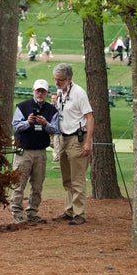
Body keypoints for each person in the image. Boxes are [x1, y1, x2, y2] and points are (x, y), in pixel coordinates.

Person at [10, 79, 59, 224]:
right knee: (19, 184)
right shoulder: (23, 106)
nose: (40, 93)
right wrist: (28, 122)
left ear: (47, 93)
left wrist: (45, 124)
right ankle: (16, 213)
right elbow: (16, 126)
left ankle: (32, 212)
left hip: (41, 152)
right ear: (33, 91)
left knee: (37, 185)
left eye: (43, 91)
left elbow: (55, 129)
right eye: (38, 90)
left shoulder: (51, 110)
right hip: (23, 151)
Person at [51, 63, 94, 226]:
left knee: (77, 178)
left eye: (60, 79)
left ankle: (79, 213)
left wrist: (87, 142)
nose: (57, 82)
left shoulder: (79, 93)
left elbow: (90, 117)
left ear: (69, 79)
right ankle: (69, 210)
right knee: (66, 178)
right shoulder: (60, 92)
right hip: (63, 138)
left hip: (77, 138)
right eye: (55, 79)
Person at [50, 92, 61, 163]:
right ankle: (59, 154)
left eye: (55, 98)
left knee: (56, 144)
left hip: (58, 129)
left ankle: (56, 158)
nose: (53, 99)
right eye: (52, 98)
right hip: (50, 129)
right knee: (51, 143)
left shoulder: (60, 107)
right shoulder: (49, 107)